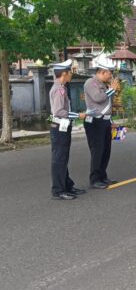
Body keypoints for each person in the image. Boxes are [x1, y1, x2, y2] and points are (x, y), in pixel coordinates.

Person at [49, 60, 86, 200]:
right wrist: (78, 115)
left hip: (62, 126)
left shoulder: (61, 87)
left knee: (63, 158)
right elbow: (59, 111)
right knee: (59, 159)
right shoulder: (59, 89)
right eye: (70, 71)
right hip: (59, 126)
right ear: (64, 73)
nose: (71, 74)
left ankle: (67, 185)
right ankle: (58, 190)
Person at [83, 63, 120, 189]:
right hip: (94, 122)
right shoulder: (91, 82)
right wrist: (112, 89)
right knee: (97, 151)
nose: (111, 76)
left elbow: (107, 105)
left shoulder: (103, 85)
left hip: (105, 121)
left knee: (106, 150)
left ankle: (103, 176)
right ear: (102, 72)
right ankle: (94, 179)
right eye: (109, 73)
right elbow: (98, 98)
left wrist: (111, 121)